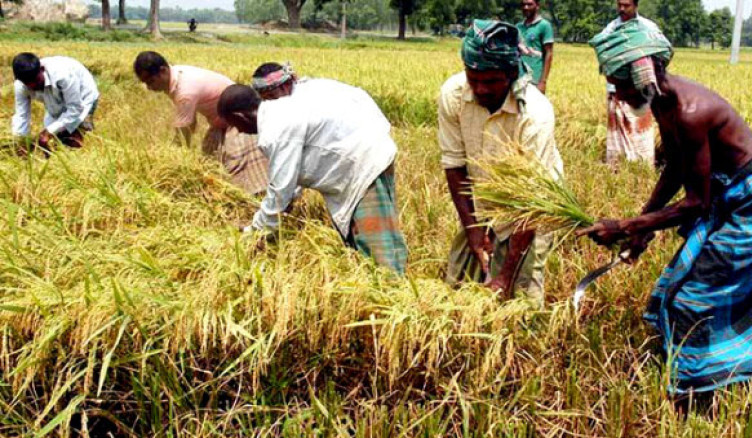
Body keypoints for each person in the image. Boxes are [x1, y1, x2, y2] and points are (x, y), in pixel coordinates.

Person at [580, 19, 752, 406]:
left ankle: (698, 393)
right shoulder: (663, 102)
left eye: (621, 85)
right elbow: (676, 167)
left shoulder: (689, 111)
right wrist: (642, 226)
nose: (618, 95)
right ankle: (710, 370)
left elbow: (696, 203)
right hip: (728, 190)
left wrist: (625, 225)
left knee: (699, 293)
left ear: (643, 75)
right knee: (680, 281)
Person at [216, 80, 408, 274]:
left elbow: (280, 187)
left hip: (362, 162)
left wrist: (257, 230)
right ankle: (386, 285)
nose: (239, 131)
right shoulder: (280, 111)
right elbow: (294, 173)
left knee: (376, 241)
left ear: (239, 116)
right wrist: (287, 201)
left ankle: (392, 291)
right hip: (363, 157)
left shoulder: (275, 128)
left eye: (235, 125)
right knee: (367, 235)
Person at [438, 20, 563, 306]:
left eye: (492, 81)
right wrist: (473, 232)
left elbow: (530, 203)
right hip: (483, 200)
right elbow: (455, 165)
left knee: (521, 300)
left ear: (510, 74)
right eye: (474, 78)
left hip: (533, 207)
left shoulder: (535, 113)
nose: (480, 89)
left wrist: (505, 277)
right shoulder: (453, 94)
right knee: (457, 289)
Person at [133, 51, 268, 196]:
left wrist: (171, 159)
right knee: (211, 162)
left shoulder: (185, 91)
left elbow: (183, 133)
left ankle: (253, 195)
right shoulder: (177, 75)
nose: (149, 87)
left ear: (163, 71)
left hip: (238, 120)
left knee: (237, 162)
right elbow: (190, 123)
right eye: (145, 83)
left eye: (150, 81)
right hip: (220, 122)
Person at [596, 0, 665, 168]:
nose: (621, 8)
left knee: (640, 130)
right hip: (616, 89)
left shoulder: (647, 27)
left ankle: (642, 166)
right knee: (617, 131)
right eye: (619, 4)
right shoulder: (611, 29)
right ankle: (616, 166)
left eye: (626, 5)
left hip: (640, 92)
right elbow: (603, 53)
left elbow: (661, 52)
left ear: (635, 5)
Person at [11, 52, 99, 156]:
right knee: (56, 141)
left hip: (83, 98)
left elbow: (75, 109)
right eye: (28, 84)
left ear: (42, 70)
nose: (33, 86)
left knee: (73, 140)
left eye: (36, 81)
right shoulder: (21, 86)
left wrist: (49, 132)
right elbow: (22, 115)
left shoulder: (63, 75)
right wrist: (21, 141)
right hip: (54, 103)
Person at [516, 0, 554, 94]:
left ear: (537, 6)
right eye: (523, 4)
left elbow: (549, 53)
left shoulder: (544, 26)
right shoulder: (518, 27)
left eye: (529, 4)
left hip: (535, 78)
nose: (526, 7)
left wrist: (543, 81)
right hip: (518, 78)